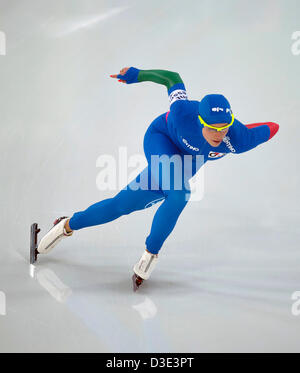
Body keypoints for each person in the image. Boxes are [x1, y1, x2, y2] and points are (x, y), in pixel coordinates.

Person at [36, 67, 279, 291]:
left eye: (224, 128)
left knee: (121, 205)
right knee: (180, 193)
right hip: (161, 138)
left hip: (187, 161)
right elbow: (172, 78)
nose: (218, 134)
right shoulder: (183, 112)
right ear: (200, 121)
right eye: (212, 128)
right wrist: (137, 74)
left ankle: (66, 224)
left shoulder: (238, 139)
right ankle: (150, 254)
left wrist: (243, 131)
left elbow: (272, 127)